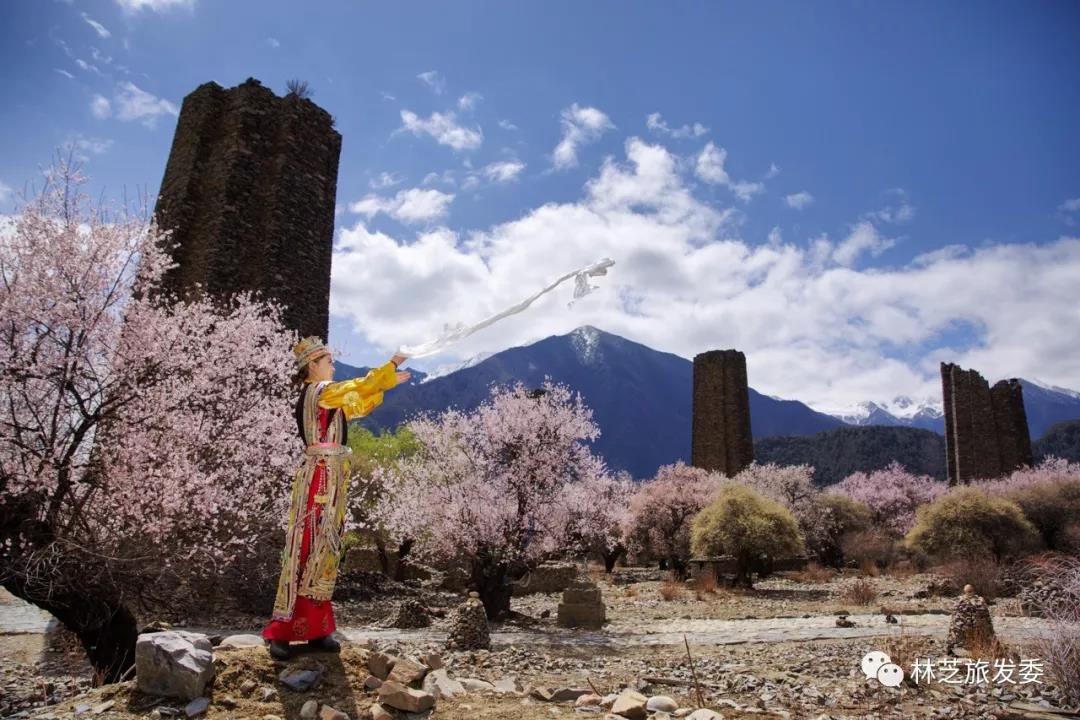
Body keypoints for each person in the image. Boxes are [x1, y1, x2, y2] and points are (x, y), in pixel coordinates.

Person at [263, 337, 410, 659]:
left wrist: (382, 385)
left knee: (326, 548)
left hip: (330, 478)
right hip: (318, 477)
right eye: (328, 362)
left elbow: (357, 402)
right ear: (312, 366)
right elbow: (353, 389)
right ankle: (283, 630)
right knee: (306, 547)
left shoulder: (329, 399)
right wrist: (391, 365)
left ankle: (316, 628)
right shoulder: (320, 393)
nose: (333, 366)